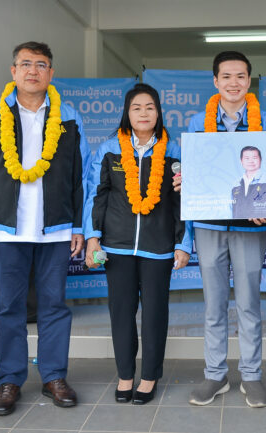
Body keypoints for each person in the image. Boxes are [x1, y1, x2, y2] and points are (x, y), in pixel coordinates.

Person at [0, 41, 89, 415]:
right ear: (13, 71)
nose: (33, 70)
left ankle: (54, 377)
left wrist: (79, 226)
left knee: (54, 306)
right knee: (8, 308)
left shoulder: (68, 117)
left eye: (41, 64)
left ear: (51, 73)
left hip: (56, 229)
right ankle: (10, 380)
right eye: (26, 64)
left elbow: (79, 176)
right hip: (6, 231)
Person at [175, 51, 266, 408]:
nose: (234, 83)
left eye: (240, 76)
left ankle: (251, 376)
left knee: (249, 304)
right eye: (226, 76)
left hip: (251, 227)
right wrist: (184, 180)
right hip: (208, 224)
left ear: (249, 81)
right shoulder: (196, 122)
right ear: (215, 81)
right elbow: (190, 170)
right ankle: (215, 375)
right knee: (213, 305)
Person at [84, 83, 192, 405]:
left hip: (159, 248)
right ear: (127, 113)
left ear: (158, 113)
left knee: (155, 314)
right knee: (121, 313)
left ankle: (149, 377)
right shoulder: (109, 150)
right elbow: (96, 196)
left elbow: (184, 202)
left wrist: (183, 243)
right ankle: (125, 375)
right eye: (136, 107)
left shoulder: (174, 152)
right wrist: (92, 238)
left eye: (150, 107)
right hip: (116, 248)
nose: (143, 113)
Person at [231, 146, 266, 219]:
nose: (251, 161)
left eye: (254, 158)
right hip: (238, 225)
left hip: (265, 224)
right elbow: (231, 209)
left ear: (260, 159)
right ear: (241, 161)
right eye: (247, 158)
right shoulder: (236, 183)